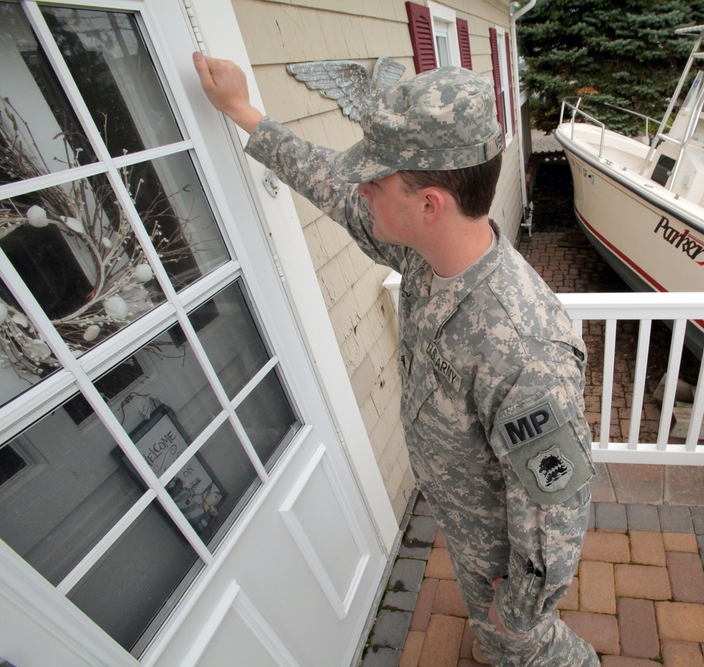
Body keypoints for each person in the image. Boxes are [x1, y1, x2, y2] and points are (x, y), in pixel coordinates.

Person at [192, 52, 599, 667]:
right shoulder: (423, 253)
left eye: (376, 180)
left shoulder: (523, 347)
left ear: (430, 202)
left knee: (526, 649)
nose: (361, 188)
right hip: (464, 523)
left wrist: (519, 608)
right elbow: (329, 183)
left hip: (500, 546)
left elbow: (555, 509)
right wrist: (242, 111)